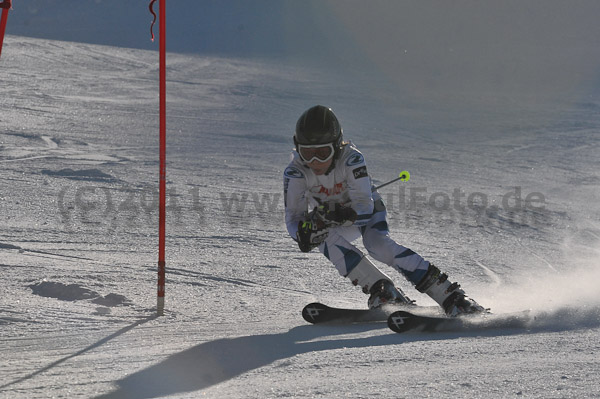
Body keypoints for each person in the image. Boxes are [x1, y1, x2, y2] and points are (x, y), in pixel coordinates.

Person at [283, 105, 486, 316]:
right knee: (320, 236)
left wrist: (345, 214)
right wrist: (302, 233)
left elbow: (364, 204)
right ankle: (382, 290)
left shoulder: (351, 159)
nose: (315, 162)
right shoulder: (295, 172)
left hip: (366, 211)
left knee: (376, 244)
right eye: (307, 153)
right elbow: (293, 217)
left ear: (337, 146)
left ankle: (451, 296)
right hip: (332, 220)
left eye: (323, 153)